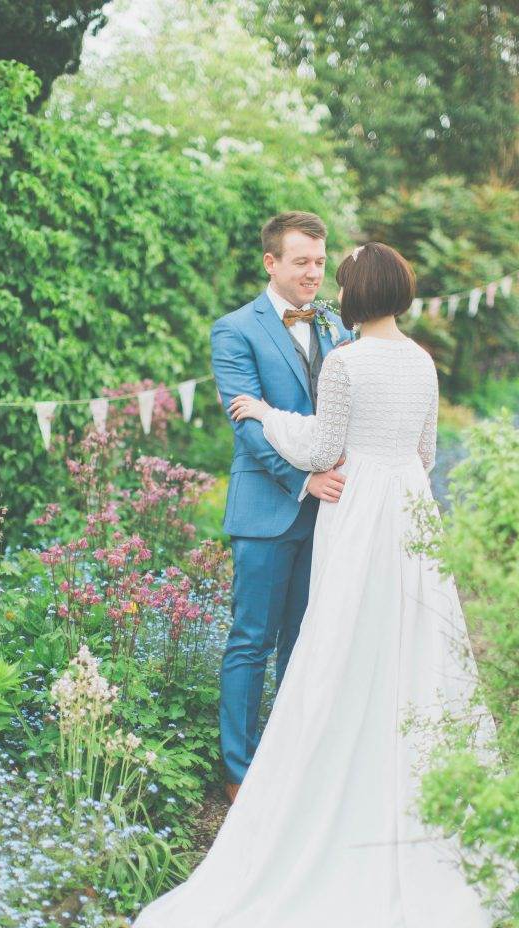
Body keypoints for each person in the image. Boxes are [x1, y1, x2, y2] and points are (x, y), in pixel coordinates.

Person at [129, 241, 499, 928]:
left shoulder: (346, 363)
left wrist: (263, 413)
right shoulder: (424, 361)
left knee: (337, 648)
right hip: (409, 510)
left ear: (352, 292)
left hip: (357, 509)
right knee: (412, 651)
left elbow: (322, 447)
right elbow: (426, 454)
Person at [209, 211, 353, 805]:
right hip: (268, 508)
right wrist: (304, 480)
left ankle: (291, 759)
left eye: (320, 262)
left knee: (305, 639)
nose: (313, 274)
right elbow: (247, 425)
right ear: (272, 263)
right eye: (302, 262)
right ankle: (240, 771)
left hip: (331, 512)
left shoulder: (337, 326)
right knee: (251, 640)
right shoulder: (235, 330)